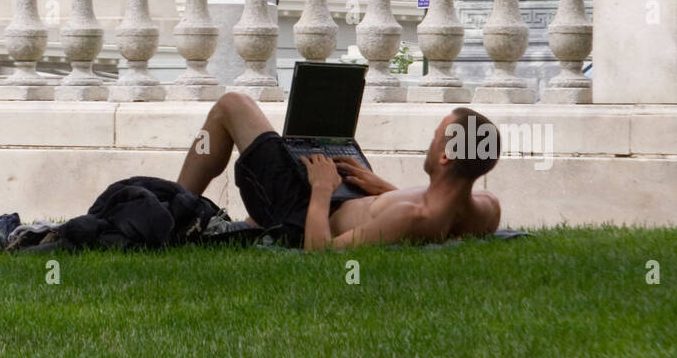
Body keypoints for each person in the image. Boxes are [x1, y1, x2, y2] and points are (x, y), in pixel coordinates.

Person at [176, 91, 501, 252]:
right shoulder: (487, 208)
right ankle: (243, 223)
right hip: (344, 196)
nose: (429, 144)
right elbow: (431, 208)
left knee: (232, 106)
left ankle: (173, 211)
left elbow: (320, 252)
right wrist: (383, 188)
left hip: (303, 212)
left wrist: (320, 188)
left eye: (435, 138)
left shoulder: (411, 216)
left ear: (445, 157)